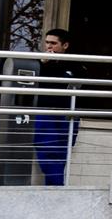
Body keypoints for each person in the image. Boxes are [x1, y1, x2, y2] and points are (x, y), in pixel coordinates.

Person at [32, 27, 79, 187]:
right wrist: (44, 63)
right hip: (45, 114)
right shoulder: (39, 63)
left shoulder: (75, 64)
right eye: (46, 43)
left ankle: (53, 192)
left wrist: (51, 64)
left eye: (53, 43)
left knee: (61, 157)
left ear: (65, 46)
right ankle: (56, 192)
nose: (49, 47)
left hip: (68, 115)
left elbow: (72, 81)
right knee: (48, 155)